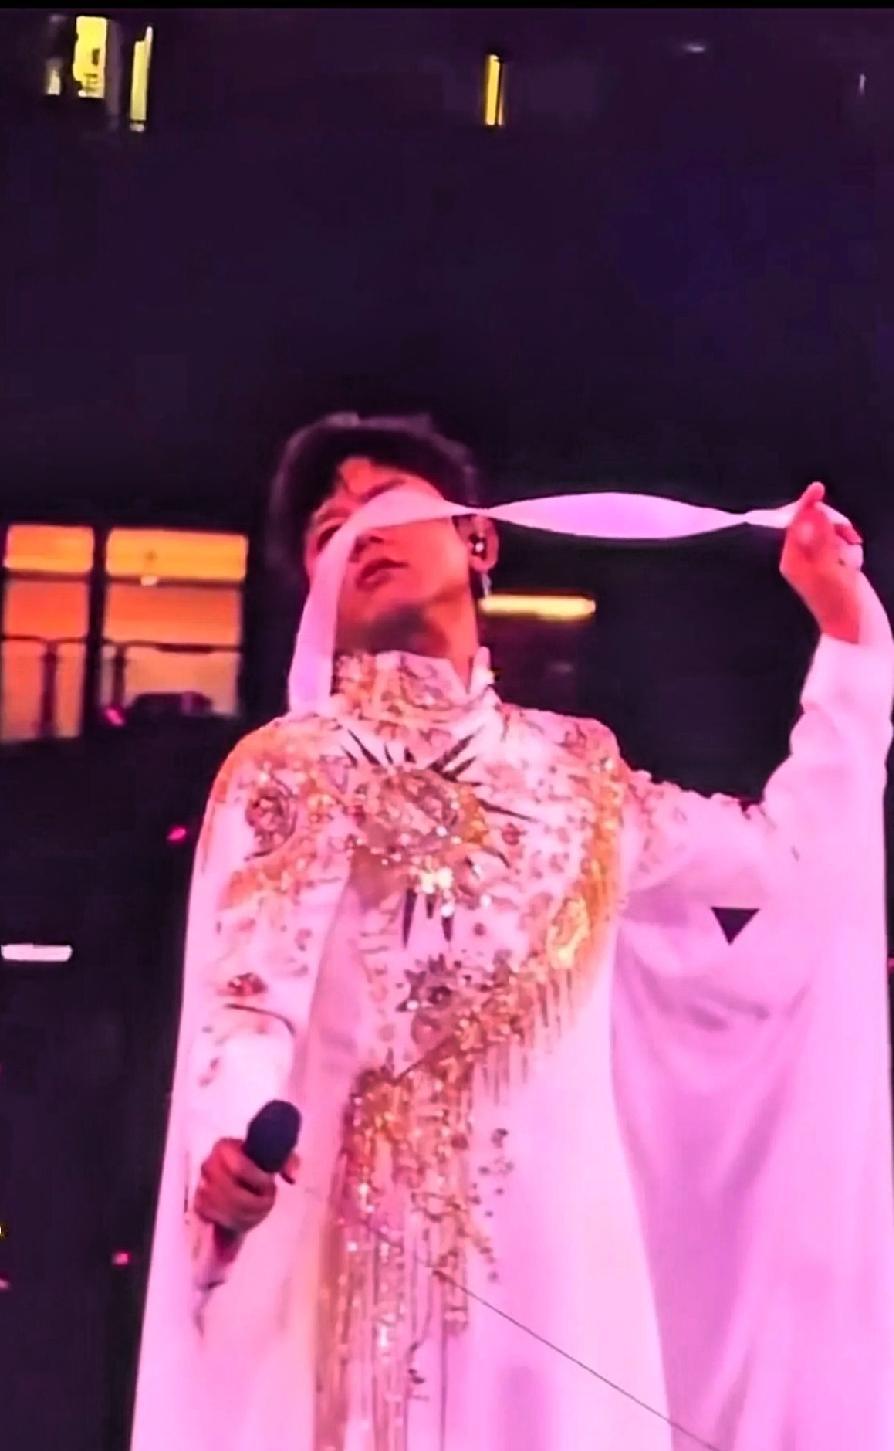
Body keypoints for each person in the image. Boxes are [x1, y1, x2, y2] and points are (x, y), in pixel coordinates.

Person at [131, 414, 894, 1451]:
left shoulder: (581, 776)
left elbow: (785, 859)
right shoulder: (291, 768)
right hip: (362, 1286)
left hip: (564, 1292)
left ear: (478, 538)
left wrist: (847, 636)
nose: (361, 530)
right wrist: (231, 1140)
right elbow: (246, 1000)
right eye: (328, 526)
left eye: (388, 501)